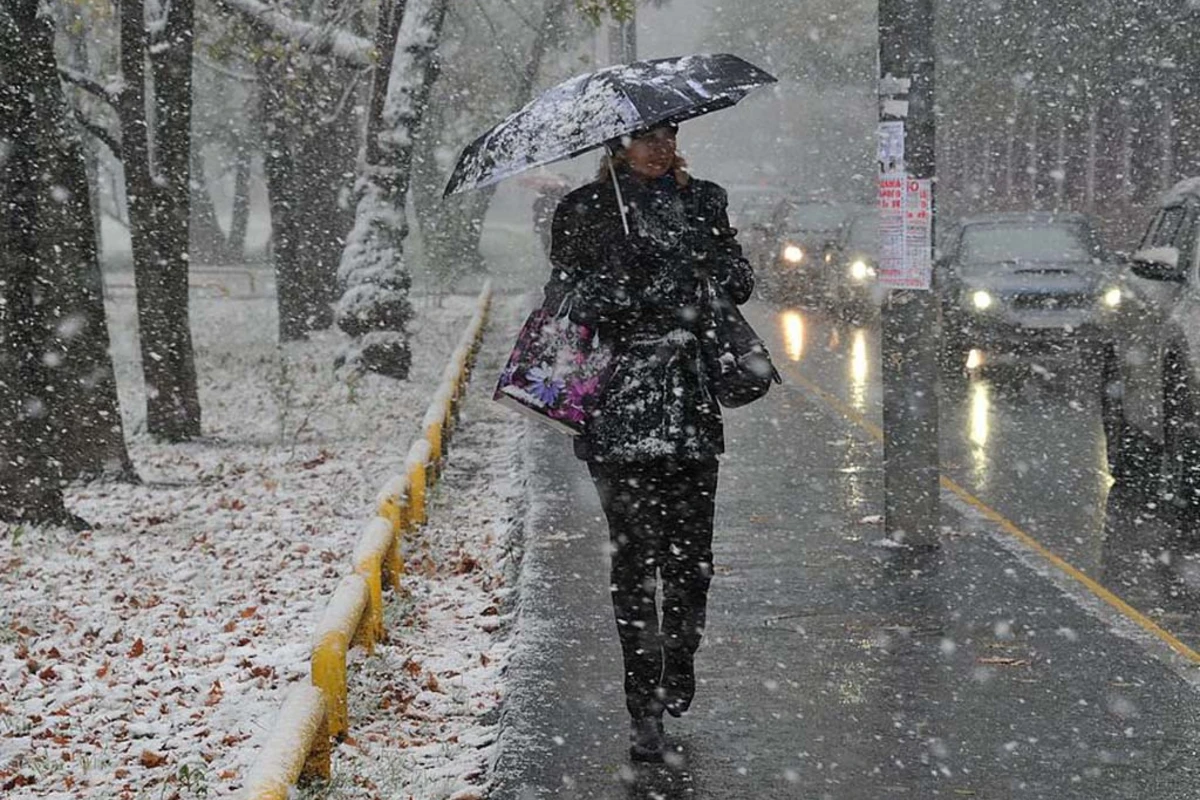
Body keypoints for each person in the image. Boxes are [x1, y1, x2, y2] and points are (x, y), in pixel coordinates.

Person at [542, 121, 753, 762]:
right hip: (617, 409)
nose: (661, 147)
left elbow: (740, 282)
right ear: (617, 146)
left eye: (669, 135)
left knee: (691, 562)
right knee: (634, 565)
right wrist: (624, 285)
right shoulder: (582, 210)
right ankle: (644, 707)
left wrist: (705, 267)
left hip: (688, 405)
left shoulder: (703, 200)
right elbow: (564, 300)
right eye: (646, 138)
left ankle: (679, 658)